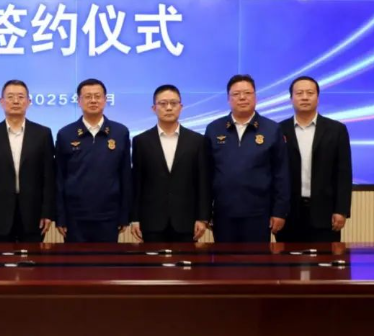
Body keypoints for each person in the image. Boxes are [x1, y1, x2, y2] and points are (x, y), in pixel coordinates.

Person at [204, 74, 290, 242]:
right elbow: (206, 174)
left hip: (259, 214)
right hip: (223, 214)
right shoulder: (214, 129)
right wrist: (205, 213)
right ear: (228, 99)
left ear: (255, 97)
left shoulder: (272, 129)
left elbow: (281, 173)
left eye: (247, 93)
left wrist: (280, 211)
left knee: (257, 258)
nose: (242, 98)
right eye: (236, 94)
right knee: (224, 259)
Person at [131, 84, 211, 243]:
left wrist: (203, 217)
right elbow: (136, 183)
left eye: (174, 103)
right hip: (151, 221)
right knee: (152, 260)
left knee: (186, 260)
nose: (168, 108)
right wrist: (134, 218)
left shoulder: (197, 141)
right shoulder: (141, 141)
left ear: (181, 107)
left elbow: (203, 181)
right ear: (154, 108)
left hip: (187, 221)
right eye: (163, 103)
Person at [0, 80, 55, 243]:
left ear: (28, 101)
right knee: (0, 258)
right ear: (1, 102)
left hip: (34, 214)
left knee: (32, 259)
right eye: (10, 97)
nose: (15, 101)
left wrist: (47, 212)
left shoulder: (43, 134)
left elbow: (49, 177)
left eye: (20, 97)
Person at [277, 76, 352, 243]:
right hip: (288, 214)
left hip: (325, 214)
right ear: (291, 98)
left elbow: (343, 173)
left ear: (317, 97)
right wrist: (276, 211)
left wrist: (341, 210)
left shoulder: (336, 130)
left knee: (325, 259)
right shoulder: (278, 130)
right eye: (299, 93)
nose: (304, 97)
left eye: (310, 93)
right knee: (288, 259)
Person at [55, 79, 132, 243]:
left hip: (109, 216)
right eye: (88, 96)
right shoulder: (65, 134)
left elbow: (125, 176)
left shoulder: (120, 132)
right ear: (79, 101)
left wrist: (124, 215)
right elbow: (59, 178)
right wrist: (60, 217)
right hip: (75, 217)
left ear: (105, 99)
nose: (93, 100)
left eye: (97, 96)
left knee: (107, 259)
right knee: (76, 259)